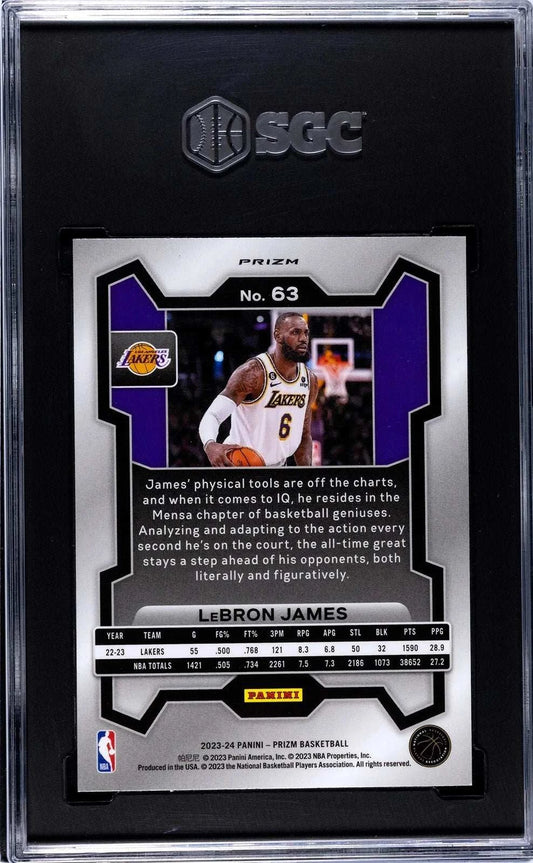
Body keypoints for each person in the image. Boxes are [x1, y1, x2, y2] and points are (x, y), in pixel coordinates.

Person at [199, 312, 318, 466]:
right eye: (295, 332)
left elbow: (304, 434)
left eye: (306, 333)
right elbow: (213, 415)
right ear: (277, 336)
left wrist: (306, 474)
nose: (303, 339)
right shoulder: (253, 373)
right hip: (239, 465)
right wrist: (210, 445)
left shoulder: (309, 380)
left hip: (278, 468)